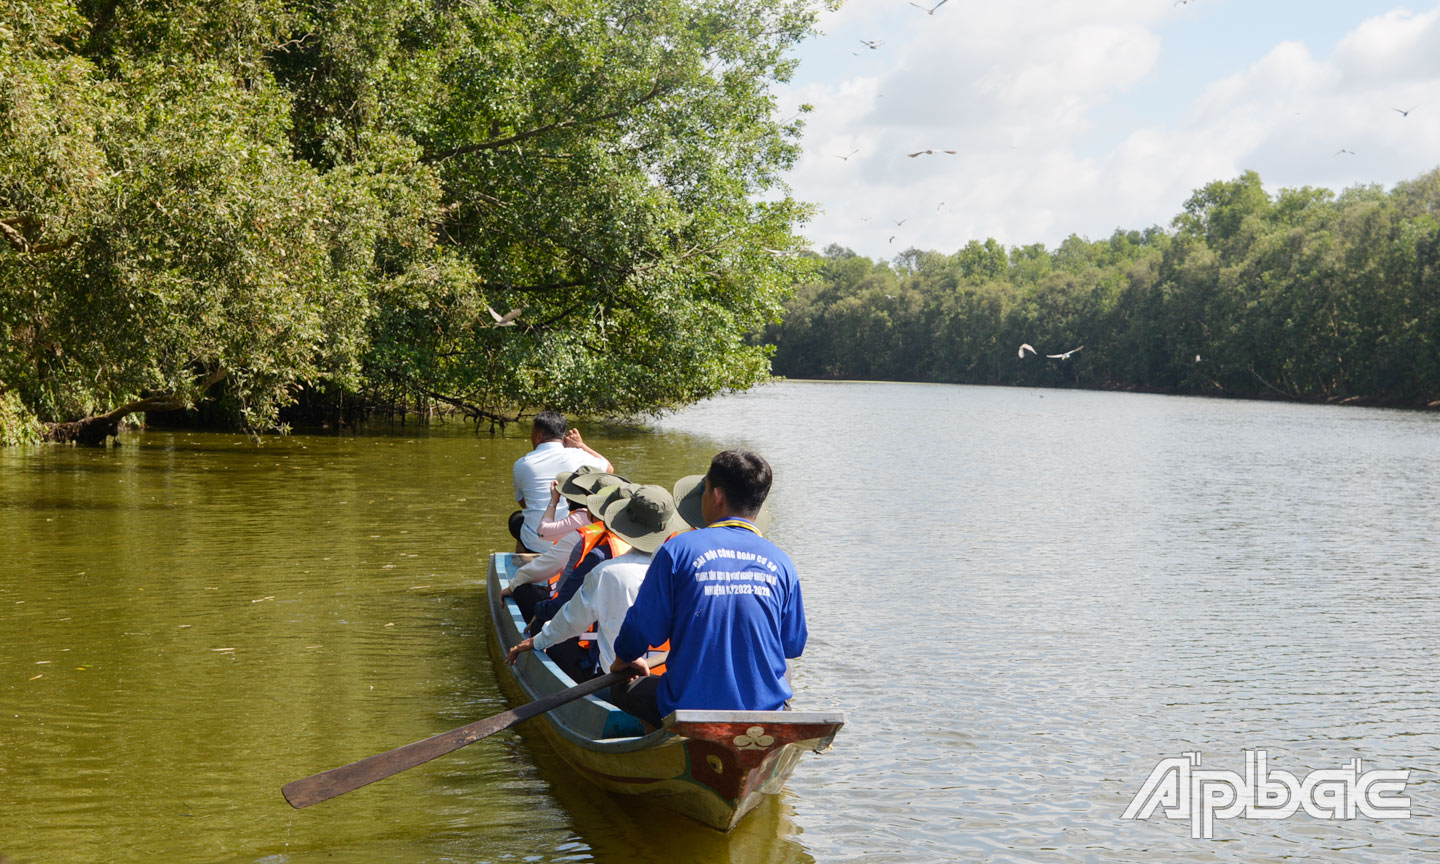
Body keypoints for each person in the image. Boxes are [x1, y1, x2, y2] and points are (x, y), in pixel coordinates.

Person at [609, 450, 806, 728]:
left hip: (687, 708)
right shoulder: (781, 562)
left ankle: (658, 741)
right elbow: (792, 645)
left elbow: (641, 629)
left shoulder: (677, 549)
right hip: (765, 710)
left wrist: (623, 661)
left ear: (716, 495)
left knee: (620, 689)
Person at [506, 484, 688, 682]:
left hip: (619, 682)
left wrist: (534, 641)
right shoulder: (687, 569)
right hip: (673, 679)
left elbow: (570, 621)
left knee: (551, 633)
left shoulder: (607, 572)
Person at [502, 474, 630, 622]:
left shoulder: (584, 537)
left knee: (522, 590)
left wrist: (513, 586)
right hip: (611, 615)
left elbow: (560, 587)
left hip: (576, 617)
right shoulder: (632, 539)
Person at [510, 411, 612, 553]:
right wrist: (581, 445)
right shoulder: (579, 456)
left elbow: (523, 503)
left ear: (538, 436)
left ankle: (525, 558)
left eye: (532, 433)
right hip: (571, 541)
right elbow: (609, 469)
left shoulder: (521, 464)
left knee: (516, 519)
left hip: (536, 543)